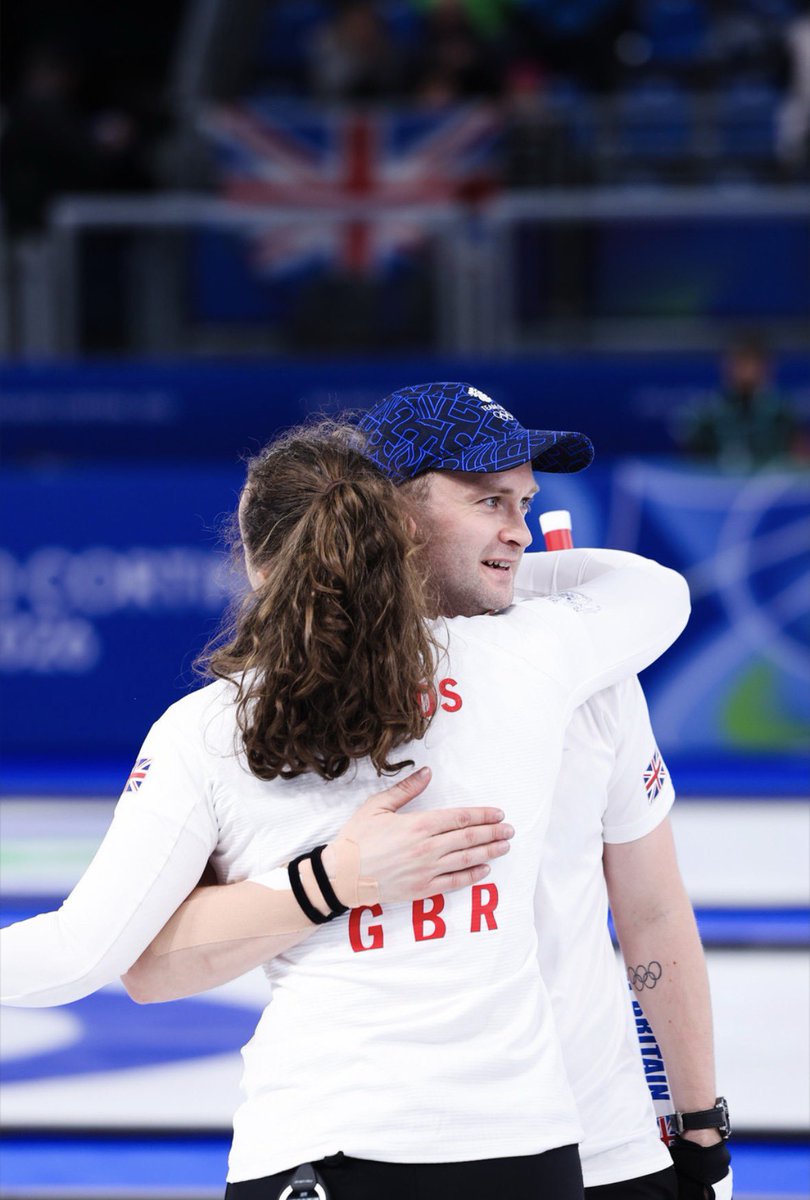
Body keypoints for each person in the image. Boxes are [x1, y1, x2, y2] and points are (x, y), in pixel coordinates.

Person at [1, 401, 690, 1200]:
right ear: (392, 532)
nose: (516, 530)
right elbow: (653, 590)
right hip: (524, 1148)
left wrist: (322, 883)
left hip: (325, 1139)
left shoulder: (211, 726)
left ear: (256, 561)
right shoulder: (530, 659)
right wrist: (440, 578)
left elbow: (86, 955)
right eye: (492, 503)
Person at [679, 332, 798, 470]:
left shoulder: (782, 414)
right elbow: (691, 464)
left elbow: (793, 460)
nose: (746, 370)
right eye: (740, 362)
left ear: (766, 367)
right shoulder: (705, 415)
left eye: (752, 362)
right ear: (727, 366)